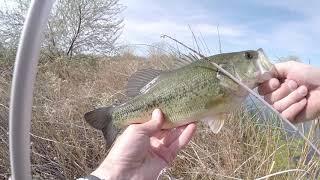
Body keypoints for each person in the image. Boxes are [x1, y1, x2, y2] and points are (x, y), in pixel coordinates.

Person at [83, 61, 320, 180]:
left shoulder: (231, 88)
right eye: (248, 57)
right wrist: (113, 172)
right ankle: (113, 117)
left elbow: (216, 116)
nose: (255, 58)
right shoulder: (225, 87)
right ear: (225, 70)